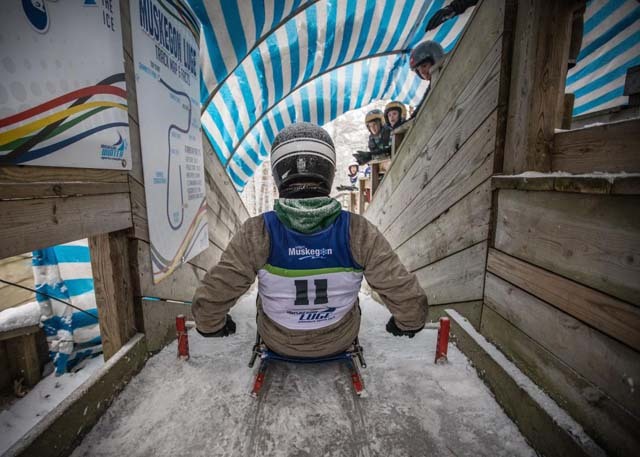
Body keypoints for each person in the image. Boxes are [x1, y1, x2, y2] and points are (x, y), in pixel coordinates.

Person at [192, 122, 429, 358]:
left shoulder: (258, 231)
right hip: (338, 338)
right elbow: (402, 290)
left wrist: (211, 325)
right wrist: (408, 322)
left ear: (278, 173)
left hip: (278, 340)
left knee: (261, 296)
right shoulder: (358, 231)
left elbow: (217, 292)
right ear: (328, 171)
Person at [409, 40, 445, 119]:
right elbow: (423, 105)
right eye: (418, 70)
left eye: (424, 66)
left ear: (435, 60)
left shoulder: (447, 76)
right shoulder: (432, 85)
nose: (422, 72)